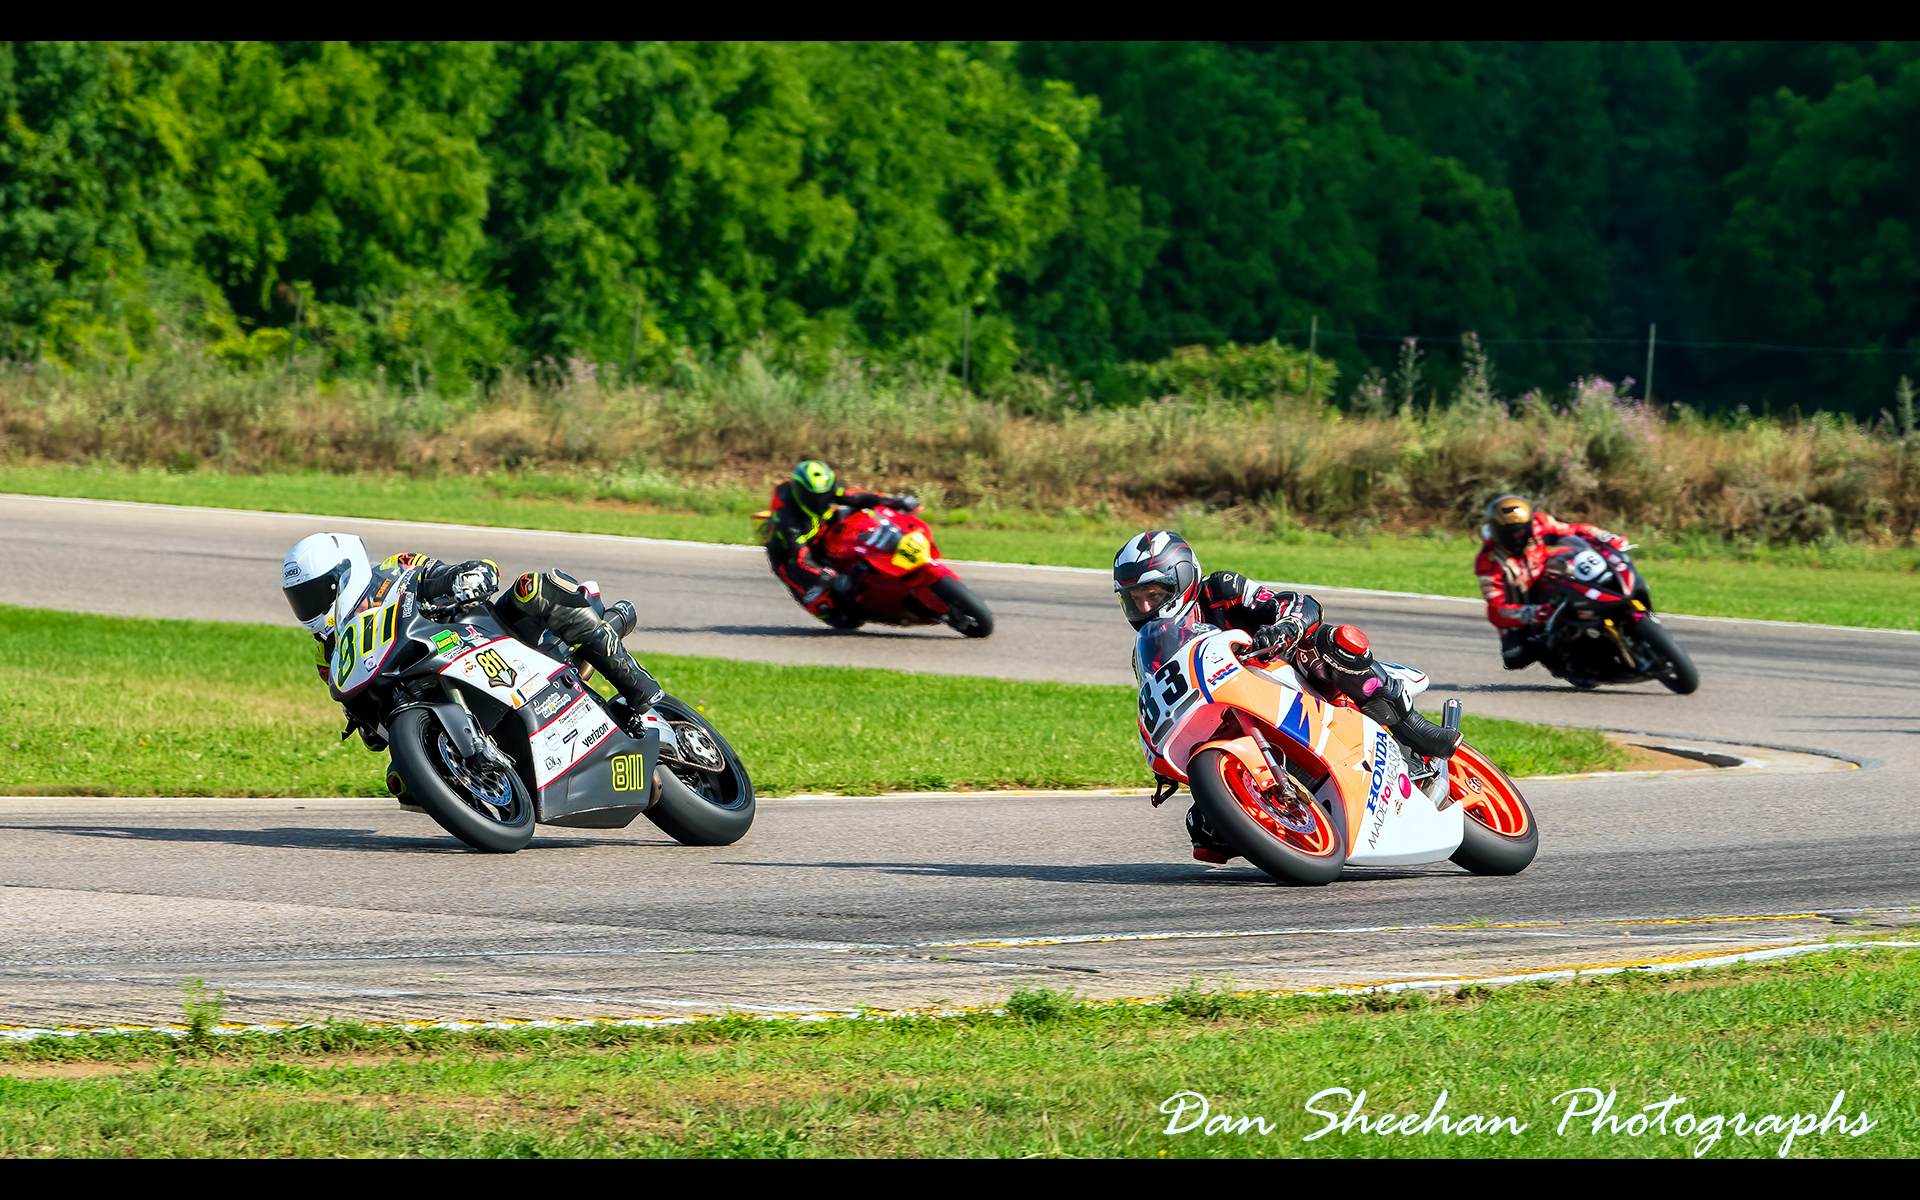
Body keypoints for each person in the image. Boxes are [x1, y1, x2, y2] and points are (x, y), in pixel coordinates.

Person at [1114, 530, 1459, 864]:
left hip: (1291, 676)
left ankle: (1414, 727)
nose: (1144, 605)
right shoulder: (1149, 652)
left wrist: (1284, 627)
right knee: (1206, 835)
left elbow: (1299, 603)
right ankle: (1294, 823)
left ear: (1182, 577)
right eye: (1134, 598)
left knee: (1331, 642)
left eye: (1153, 593)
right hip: (1235, 719)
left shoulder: (1221, 590)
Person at [280, 533, 663, 744]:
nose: (309, 608)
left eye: (315, 594)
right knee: (402, 785)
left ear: (344, 575)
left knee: (532, 588)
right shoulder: (330, 657)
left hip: (483, 639)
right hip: (432, 698)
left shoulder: (394, 569)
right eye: (300, 600)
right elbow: (374, 734)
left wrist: (468, 579)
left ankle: (640, 689)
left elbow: (454, 572)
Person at [1474, 495, 1630, 675]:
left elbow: (1576, 530)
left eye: (1521, 530)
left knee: (1575, 569)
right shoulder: (1489, 561)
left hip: (1550, 580)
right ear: (1496, 531)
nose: (1517, 537)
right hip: (1524, 608)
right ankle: (1568, 663)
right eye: (1510, 532)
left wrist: (1605, 537)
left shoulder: (1539, 524)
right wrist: (1534, 613)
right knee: (1515, 656)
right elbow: (1496, 610)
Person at [764, 459, 920, 621]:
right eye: (815, 497)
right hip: (790, 558)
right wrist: (830, 576)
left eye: (824, 495)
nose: (821, 501)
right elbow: (802, 560)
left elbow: (858, 496)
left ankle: (879, 554)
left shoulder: (829, 489)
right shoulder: (787, 520)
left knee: (858, 513)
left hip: (820, 527)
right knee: (832, 611)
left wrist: (896, 501)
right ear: (801, 492)